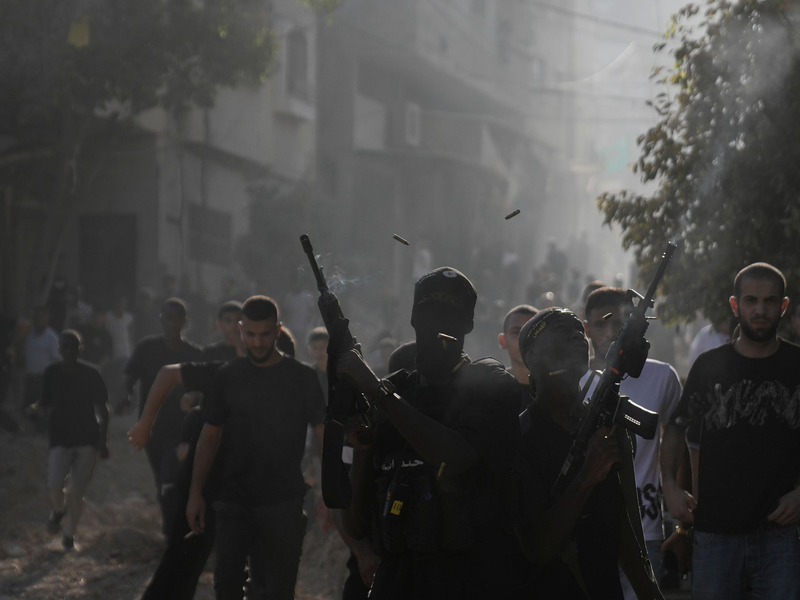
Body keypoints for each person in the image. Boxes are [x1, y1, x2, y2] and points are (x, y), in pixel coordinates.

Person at [334, 267, 523, 600]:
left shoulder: (490, 385)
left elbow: (455, 458)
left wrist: (377, 392)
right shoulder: (394, 391)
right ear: (413, 318)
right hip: (398, 579)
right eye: (429, 308)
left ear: (468, 323)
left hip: (470, 579)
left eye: (451, 309)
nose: (438, 320)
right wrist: (362, 453)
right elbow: (355, 524)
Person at [661, 262, 800, 600]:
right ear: (735, 305)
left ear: (783, 306)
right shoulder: (709, 366)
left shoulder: (797, 365)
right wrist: (669, 486)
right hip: (715, 534)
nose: (760, 310)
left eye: (769, 301)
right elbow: (677, 429)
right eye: (751, 300)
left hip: (781, 535)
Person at [512, 308, 663, 599]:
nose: (577, 337)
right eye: (561, 331)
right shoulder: (522, 438)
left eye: (579, 331)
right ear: (532, 356)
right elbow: (537, 548)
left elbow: (620, 526)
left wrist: (650, 592)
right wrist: (586, 477)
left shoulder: (601, 426)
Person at [186, 296, 326, 600]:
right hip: (234, 501)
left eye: (265, 334)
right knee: (227, 586)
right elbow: (209, 437)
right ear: (241, 330)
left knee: (279, 591)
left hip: (283, 502)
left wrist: (329, 493)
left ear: (278, 330)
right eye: (250, 334)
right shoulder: (228, 376)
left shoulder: (302, 377)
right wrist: (196, 493)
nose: (258, 342)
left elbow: (323, 435)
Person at [582, 287, 682, 597]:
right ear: (586, 328)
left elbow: (678, 431)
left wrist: (671, 484)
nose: (610, 331)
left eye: (619, 322)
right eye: (600, 323)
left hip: (645, 528)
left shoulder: (662, 377)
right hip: (587, 528)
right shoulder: (573, 381)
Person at [120, 298, 203, 535]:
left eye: (175, 318)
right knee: (162, 477)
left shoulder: (194, 354)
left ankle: (175, 529)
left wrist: (194, 398)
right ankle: (172, 526)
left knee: (173, 475)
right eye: (166, 317)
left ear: (184, 321)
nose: (170, 323)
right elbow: (130, 377)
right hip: (152, 426)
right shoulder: (147, 348)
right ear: (161, 320)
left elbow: (204, 388)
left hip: (183, 427)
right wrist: (126, 396)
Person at [28, 330, 109, 550]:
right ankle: (59, 510)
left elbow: (102, 408)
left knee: (76, 492)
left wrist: (103, 441)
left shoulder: (91, 373)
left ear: (80, 349)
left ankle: (69, 536)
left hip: (87, 438)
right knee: (55, 485)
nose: (68, 351)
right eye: (64, 347)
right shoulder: (52, 371)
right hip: (60, 436)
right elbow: (45, 399)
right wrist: (35, 408)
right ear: (59, 349)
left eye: (72, 347)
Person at [497, 304, 539, 411]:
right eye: (516, 332)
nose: (524, 339)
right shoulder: (492, 390)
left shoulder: (557, 391)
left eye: (533, 332)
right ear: (503, 341)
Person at [22, 306, 60, 413]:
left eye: (41, 317)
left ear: (46, 319)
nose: (38, 319)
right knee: (25, 408)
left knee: (37, 411)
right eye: (36, 316)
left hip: (41, 380)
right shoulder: (29, 333)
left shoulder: (52, 338)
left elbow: (57, 361)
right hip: (28, 377)